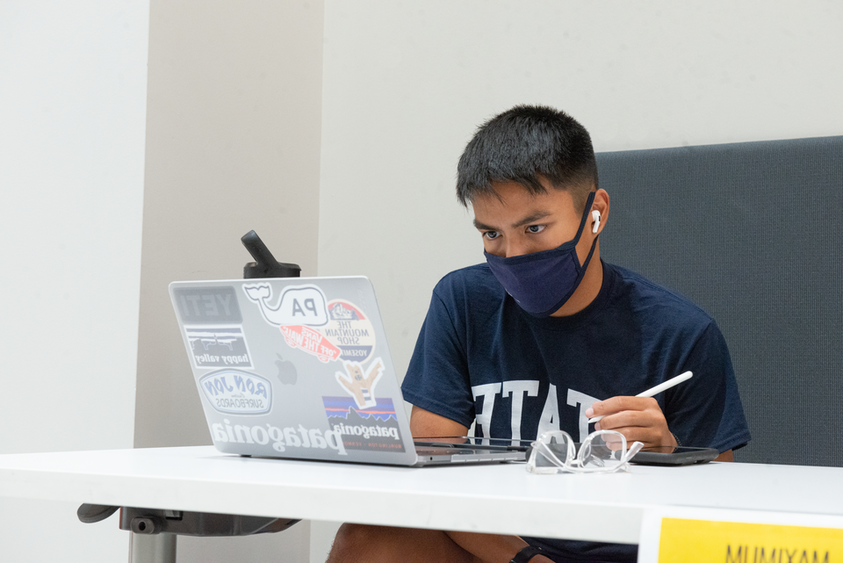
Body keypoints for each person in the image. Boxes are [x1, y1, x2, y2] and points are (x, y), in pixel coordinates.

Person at [327, 105, 751, 563]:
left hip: (621, 552)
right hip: (500, 547)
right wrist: (527, 560)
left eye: (535, 227)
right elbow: (432, 479)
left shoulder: (682, 334)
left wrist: (669, 456)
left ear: (596, 214)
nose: (513, 254)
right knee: (368, 537)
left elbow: (715, 519)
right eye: (491, 234)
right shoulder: (463, 301)